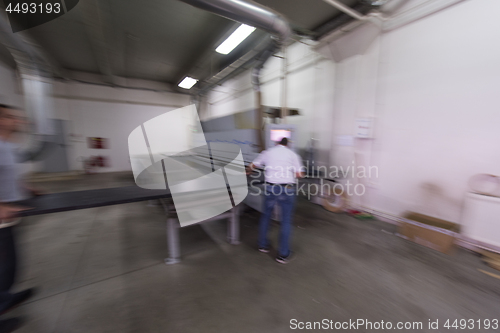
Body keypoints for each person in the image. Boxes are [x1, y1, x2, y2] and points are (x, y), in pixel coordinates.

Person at [0, 104, 36, 332]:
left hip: (9, 215)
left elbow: (7, 174)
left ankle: (5, 298)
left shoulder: (8, 146)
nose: (18, 121)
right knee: (3, 266)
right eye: (11, 117)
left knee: (9, 264)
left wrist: (26, 188)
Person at [246, 137, 304, 264]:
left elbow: (253, 165)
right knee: (285, 220)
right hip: (286, 189)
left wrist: (249, 171)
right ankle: (283, 255)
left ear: (277, 143)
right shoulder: (293, 154)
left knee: (266, 215)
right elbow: (299, 174)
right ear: (287, 144)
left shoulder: (268, 152)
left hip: (270, 188)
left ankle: (263, 245)